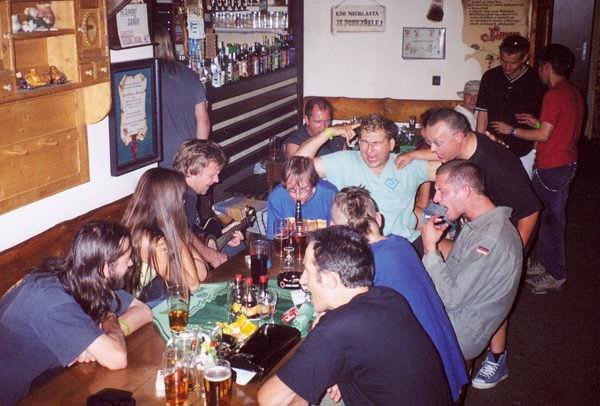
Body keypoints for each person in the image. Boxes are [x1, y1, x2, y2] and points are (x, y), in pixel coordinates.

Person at [396, 108, 540, 389]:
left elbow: (531, 211)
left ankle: (497, 358)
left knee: (491, 295)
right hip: (478, 226)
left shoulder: (498, 164)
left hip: (505, 234)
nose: (432, 149)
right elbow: (441, 162)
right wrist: (413, 155)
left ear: (460, 137)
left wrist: (512, 262)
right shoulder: (458, 151)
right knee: (419, 247)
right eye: (430, 142)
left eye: (437, 143)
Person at [258, 226, 451, 405]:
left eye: (308, 271)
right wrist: (326, 372)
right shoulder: (389, 297)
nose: (303, 280)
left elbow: (268, 400)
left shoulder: (335, 331)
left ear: (330, 280)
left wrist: (310, 378)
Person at [330, 186, 468, 402]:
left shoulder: (365, 268)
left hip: (428, 386)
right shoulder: (401, 245)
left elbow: (357, 335)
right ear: (378, 219)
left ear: (337, 232)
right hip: (450, 367)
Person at [0, 221, 152, 405]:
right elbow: (117, 358)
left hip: (41, 385)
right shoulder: (52, 302)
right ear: (105, 268)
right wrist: (109, 321)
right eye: (126, 258)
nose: (131, 263)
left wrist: (99, 337)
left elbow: (143, 311)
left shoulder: (84, 278)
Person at [489, 44, 585, 294]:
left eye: (540, 66)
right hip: (565, 162)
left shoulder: (554, 94)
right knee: (545, 217)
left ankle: (556, 274)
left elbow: (543, 135)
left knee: (551, 222)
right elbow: (555, 127)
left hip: (553, 165)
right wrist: (537, 122)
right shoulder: (572, 91)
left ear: (547, 67)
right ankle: (546, 264)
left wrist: (511, 130)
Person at [421, 160, 522, 376]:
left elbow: (451, 298)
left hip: (461, 331)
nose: (436, 198)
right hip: (458, 309)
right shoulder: (482, 221)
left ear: (465, 191)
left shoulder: (489, 239)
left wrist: (430, 249)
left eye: (442, 191)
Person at [295, 113, 438, 243]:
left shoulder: (407, 164)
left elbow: (450, 161)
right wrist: (328, 132)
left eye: (376, 143)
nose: (369, 150)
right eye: (364, 142)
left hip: (403, 245)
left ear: (391, 144)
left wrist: (415, 154)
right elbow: (297, 166)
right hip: (358, 248)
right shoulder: (344, 161)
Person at [121, 167, 209, 303]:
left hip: (152, 297)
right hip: (137, 306)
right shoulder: (147, 240)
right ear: (168, 202)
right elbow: (192, 285)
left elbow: (202, 273)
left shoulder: (160, 228)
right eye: (181, 197)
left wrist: (176, 233)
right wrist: (177, 235)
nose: (184, 202)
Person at [475, 35, 546, 177]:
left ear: (525, 58)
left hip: (523, 151)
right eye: (503, 61)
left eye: (513, 63)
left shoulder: (536, 80)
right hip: (493, 149)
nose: (507, 67)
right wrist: (479, 146)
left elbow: (542, 124)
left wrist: (535, 152)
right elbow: (482, 114)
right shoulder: (490, 77)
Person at [172, 139, 243, 268]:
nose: (217, 180)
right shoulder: (182, 198)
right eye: (211, 175)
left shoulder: (187, 192)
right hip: (181, 263)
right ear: (190, 172)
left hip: (194, 251)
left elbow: (195, 232)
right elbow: (180, 234)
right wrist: (211, 256)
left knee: (236, 247)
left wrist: (224, 236)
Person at [154, 24, 210, 169]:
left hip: (157, 159)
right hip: (186, 156)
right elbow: (203, 121)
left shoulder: (146, 76)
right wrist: (198, 158)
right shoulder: (189, 74)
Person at [266, 156, 337, 239]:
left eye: (303, 189)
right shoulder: (276, 198)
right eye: (292, 190)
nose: (298, 196)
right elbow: (273, 237)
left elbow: (337, 237)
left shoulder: (330, 195)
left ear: (313, 183)